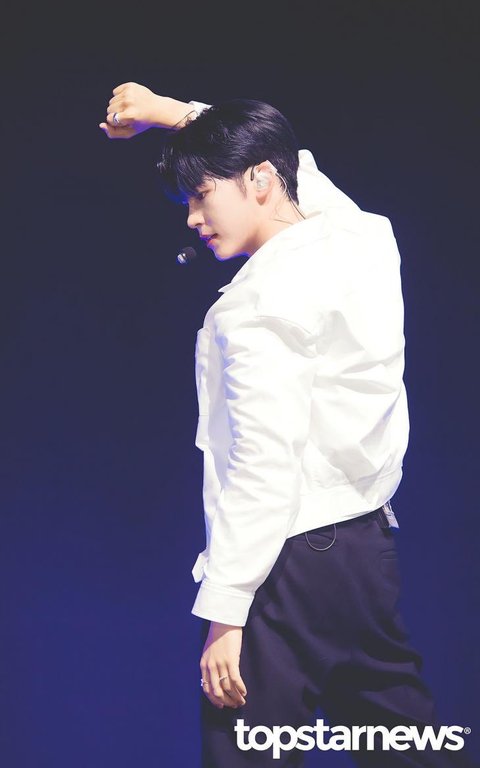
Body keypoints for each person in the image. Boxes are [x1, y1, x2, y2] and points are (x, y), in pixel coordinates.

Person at [100, 83, 477, 767]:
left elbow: (263, 464)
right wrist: (172, 114)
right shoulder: (361, 238)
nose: (192, 217)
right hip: (363, 552)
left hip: (288, 561)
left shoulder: (257, 306)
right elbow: (292, 162)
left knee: (245, 752)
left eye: (201, 194)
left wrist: (226, 611)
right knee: (405, 746)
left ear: (260, 182)